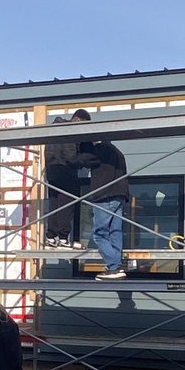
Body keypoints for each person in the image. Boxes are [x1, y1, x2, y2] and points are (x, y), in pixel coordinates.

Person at [71, 109, 130, 282]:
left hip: (105, 195)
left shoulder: (100, 149)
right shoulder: (116, 150)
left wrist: (71, 151)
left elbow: (80, 161)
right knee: (115, 231)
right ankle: (115, 267)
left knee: (99, 234)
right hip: (120, 195)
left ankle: (114, 266)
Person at [44, 115, 83, 249]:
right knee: (67, 205)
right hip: (66, 171)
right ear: (77, 119)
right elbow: (70, 156)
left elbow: (48, 154)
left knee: (54, 204)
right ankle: (63, 238)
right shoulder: (68, 130)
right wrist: (80, 161)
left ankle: (51, 236)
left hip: (52, 171)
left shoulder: (51, 131)